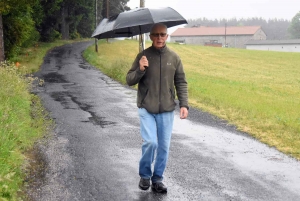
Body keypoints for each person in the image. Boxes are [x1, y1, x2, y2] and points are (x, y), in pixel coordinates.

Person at [126, 23, 189, 193]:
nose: (160, 38)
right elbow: (129, 80)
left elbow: (181, 82)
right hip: (146, 107)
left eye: (163, 35)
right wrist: (140, 69)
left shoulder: (174, 58)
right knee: (151, 142)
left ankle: (157, 179)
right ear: (151, 36)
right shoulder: (143, 56)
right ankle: (145, 175)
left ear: (167, 36)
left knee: (163, 146)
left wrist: (184, 104)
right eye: (156, 35)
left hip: (167, 109)